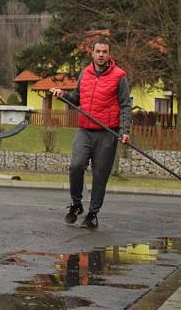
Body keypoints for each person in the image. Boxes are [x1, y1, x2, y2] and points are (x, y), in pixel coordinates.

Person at [51, 38, 130, 229]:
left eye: (105, 51)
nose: (101, 55)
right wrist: (64, 96)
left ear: (109, 54)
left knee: (100, 175)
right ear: (92, 53)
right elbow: (77, 99)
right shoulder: (85, 74)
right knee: (76, 166)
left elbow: (126, 105)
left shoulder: (120, 76)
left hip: (107, 133)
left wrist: (125, 130)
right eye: (98, 51)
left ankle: (93, 214)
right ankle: (76, 203)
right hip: (85, 130)